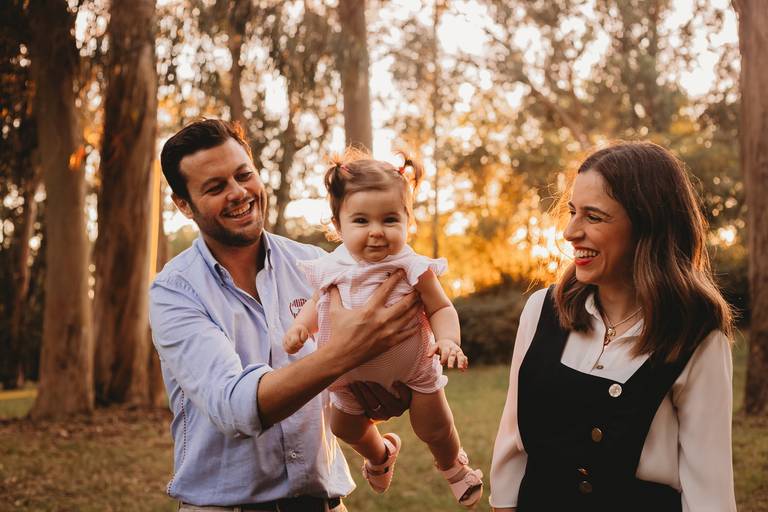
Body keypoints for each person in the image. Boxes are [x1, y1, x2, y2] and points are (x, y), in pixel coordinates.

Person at [149, 119, 423, 512]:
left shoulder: (315, 265)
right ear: (183, 205)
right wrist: (346, 352)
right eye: (215, 187)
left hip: (325, 504)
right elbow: (234, 405)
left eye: (244, 175)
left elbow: (363, 367)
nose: (238, 193)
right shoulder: (175, 291)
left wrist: (385, 392)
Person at [489, 141, 736, 512]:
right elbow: (512, 445)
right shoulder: (541, 310)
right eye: (572, 212)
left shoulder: (697, 336)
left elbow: (708, 492)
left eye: (594, 216)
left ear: (647, 226)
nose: (571, 231)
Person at [281, 151, 484, 508]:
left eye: (390, 219)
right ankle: (379, 454)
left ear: (409, 222)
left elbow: (440, 306)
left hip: (414, 369)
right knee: (342, 426)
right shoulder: (333, 265)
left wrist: (449, 340)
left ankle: (453, 466)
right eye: (361, 220)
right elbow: (318, 304)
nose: (376, 231)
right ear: (337, 224)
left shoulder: (411, 265)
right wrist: (301, 326)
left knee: (434, 427)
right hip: (347, 375)